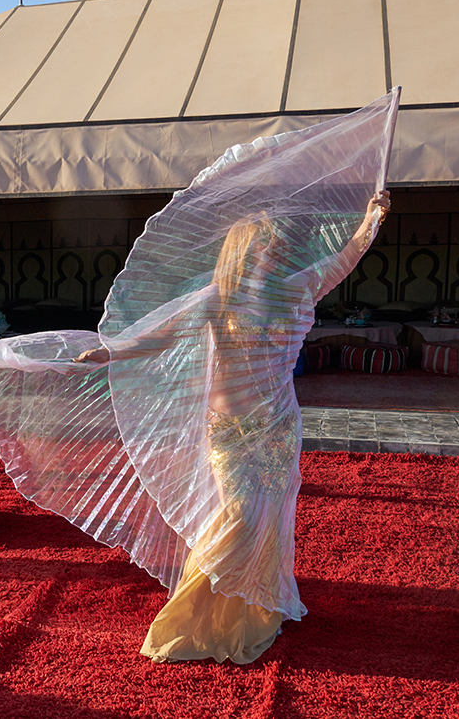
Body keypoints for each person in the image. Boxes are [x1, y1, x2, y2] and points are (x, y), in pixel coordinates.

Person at [72, 191, 390, 663]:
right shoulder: (216, 301)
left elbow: (344, 260)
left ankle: (258, 607)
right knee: (240, 515)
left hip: (278, 426)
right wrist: (109, 352)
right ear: (242, 252)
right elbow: (159, 335)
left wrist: (370, 221)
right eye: (263, 247)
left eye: (276, 247)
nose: (272, 254)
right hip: (230, 431)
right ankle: (192, 615)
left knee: (270, 518)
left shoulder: (298, 289)